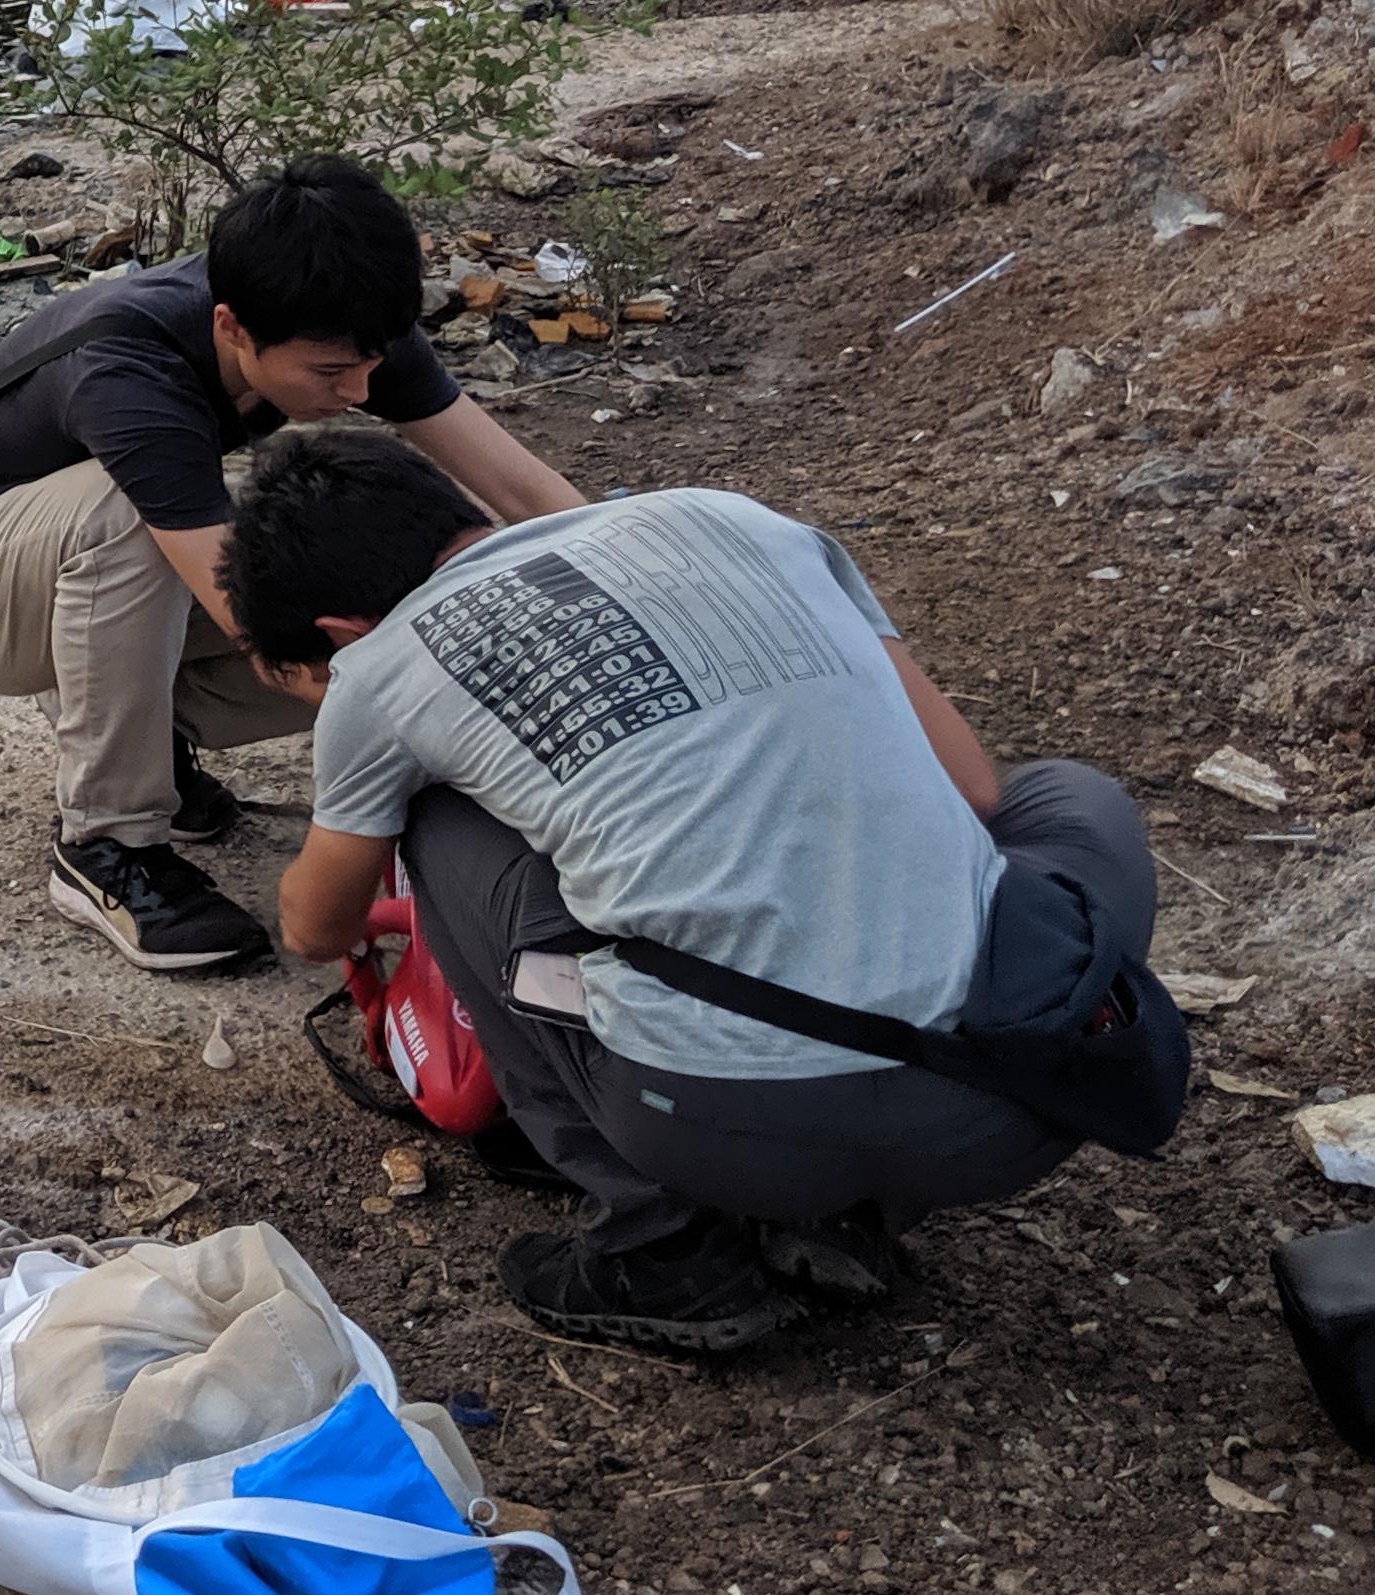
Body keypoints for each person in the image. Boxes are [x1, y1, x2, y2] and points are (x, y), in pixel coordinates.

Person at [229, 429, 1162, 1353]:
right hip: (1012, 1110)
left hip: (728, 1128)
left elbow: (316, 927)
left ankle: (663, 1244)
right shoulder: (739, 520)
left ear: (339, 635)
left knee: (433, 826)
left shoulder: (382, 668)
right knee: (1069, 798)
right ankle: (849, 1211)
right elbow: (972, 791)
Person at [0, 157, 584, 974]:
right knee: (134, 520)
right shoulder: (129, 368)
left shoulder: (337, 315)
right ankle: (106, 845)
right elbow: (253, 627)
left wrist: (618, 597)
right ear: (230, 329)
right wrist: (439, 724)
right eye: (330, 374)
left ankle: (162, 745)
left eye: (372, 364)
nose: (361, 391)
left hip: (102, 595)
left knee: (395, 562)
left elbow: (519, 485)